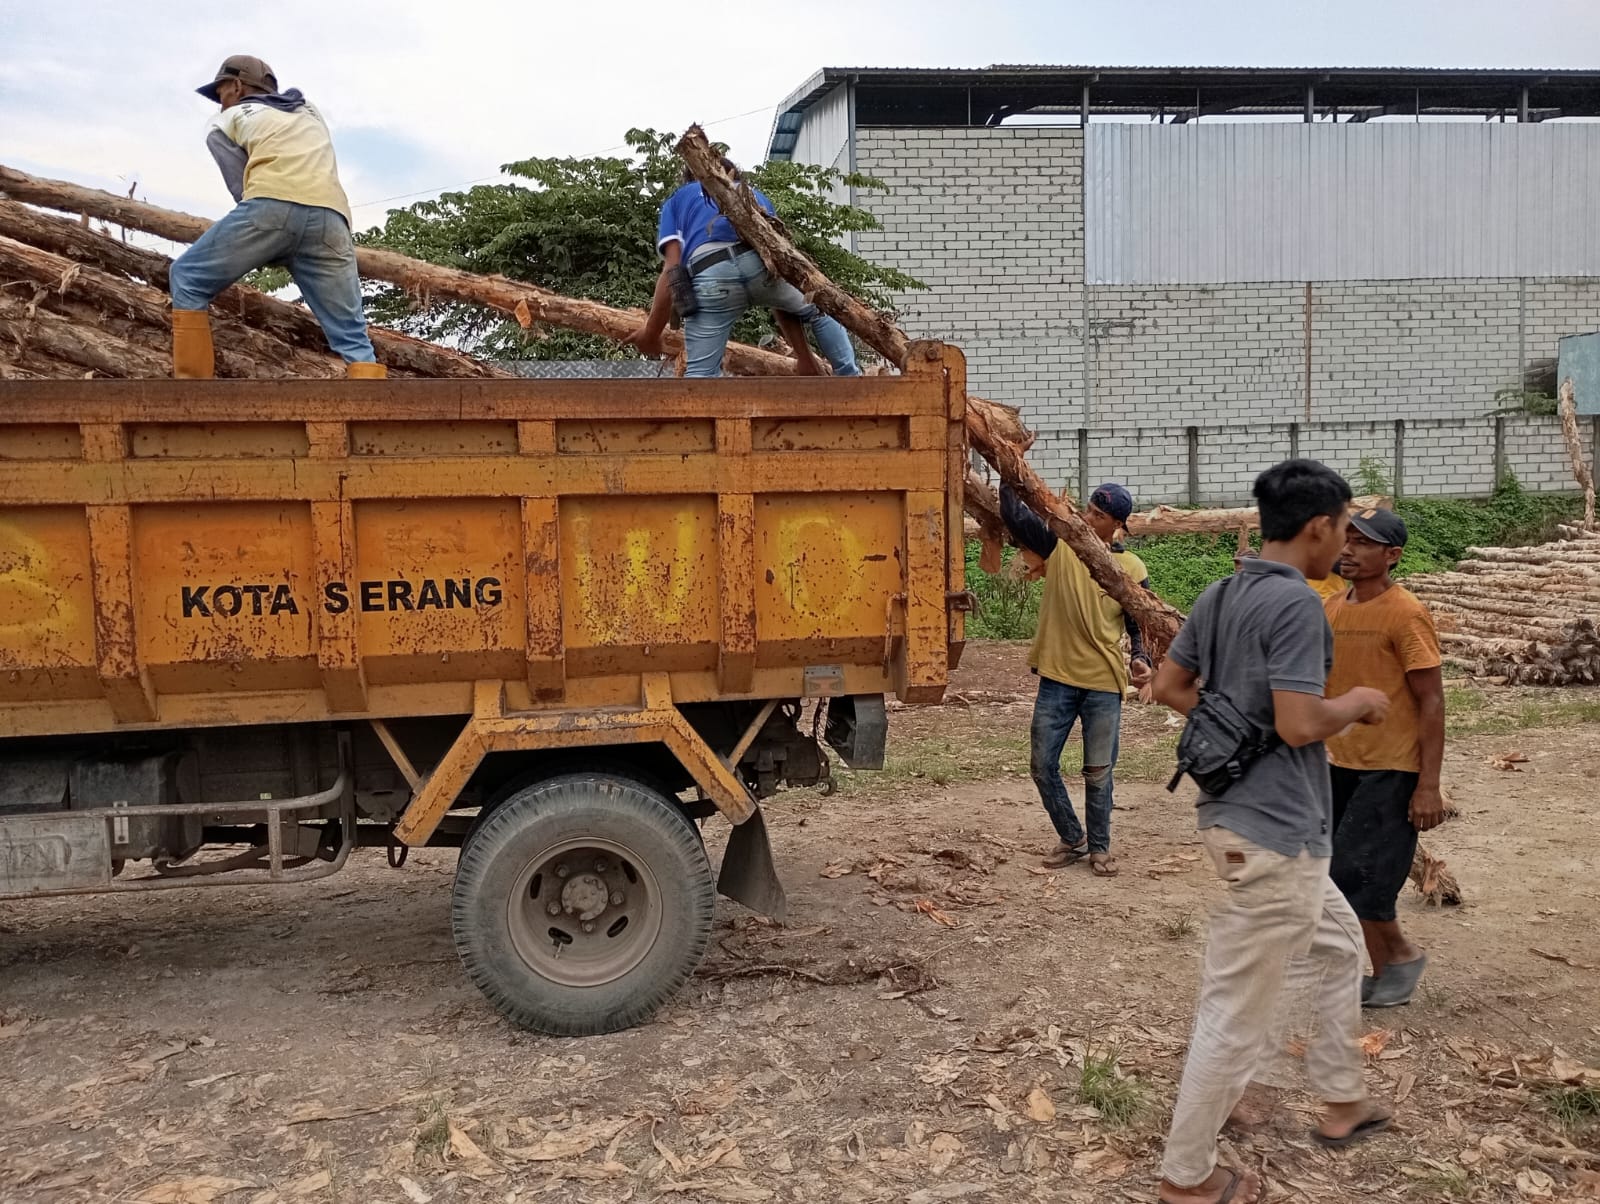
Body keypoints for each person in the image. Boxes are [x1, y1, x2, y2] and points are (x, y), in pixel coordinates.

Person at [1151, 460, 1393, 1204]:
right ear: (1319, 526)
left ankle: (1342, 1099)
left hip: (1242, 819)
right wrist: (1358, 701)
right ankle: (1187, 1177)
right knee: (1238, 1011)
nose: (1346, 545)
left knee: (1340, 946)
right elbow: (1298, 722)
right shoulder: (1297, 605)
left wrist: (1231, 728)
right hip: (1277, 833)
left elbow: (1168, 686)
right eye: (1344, 529)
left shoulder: (1222, 593)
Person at [169, 56, 383, 380]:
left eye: (221, 92)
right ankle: (375, 408)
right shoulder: (308, 109)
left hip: (270, 207)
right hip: (332, 219)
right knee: (352, 335)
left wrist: (268, 241)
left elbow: (240, 187)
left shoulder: (223, 123)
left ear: (237, 86)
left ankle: (190, 393)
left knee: (187, 278)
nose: (220, 102)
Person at [1001, 482, 1153, 878]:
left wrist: (1141, 657)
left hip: (1103, 683)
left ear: (1117, 525)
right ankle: (1073, 837)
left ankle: (1100, 849)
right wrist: (1007, 469)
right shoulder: (1060, 546)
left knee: (1098, 772)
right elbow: (1015, 517)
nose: (1087, 518)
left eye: (1098, 516)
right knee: (1041, 765)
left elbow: (1139, 623)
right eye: (1087, 510)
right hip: (1057, 678)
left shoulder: (1132, 568)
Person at [1325, 507, 1445, 1007]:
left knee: (1359, 873)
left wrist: (1428, 784)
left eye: (1363, 542)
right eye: (1346, 538)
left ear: (1392, 555)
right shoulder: (1332, 608)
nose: (1348, 549)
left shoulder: (1405, 612)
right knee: (1340, 874)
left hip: (1391, 767)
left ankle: (1400, 955)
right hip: (1338, 762)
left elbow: (1431, 700)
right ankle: (1384, 968)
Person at [627, 167, 860, 378]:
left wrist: (651, 334)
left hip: (711, 275)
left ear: (689, 180)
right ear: (733, 174)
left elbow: (672, 268)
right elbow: (780, 267)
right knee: (819, 307)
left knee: (700, 375)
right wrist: (804, 357)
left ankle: (700, 405)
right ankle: (850, 377)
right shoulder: (754, 195)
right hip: (761, 267)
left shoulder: (677, 199)